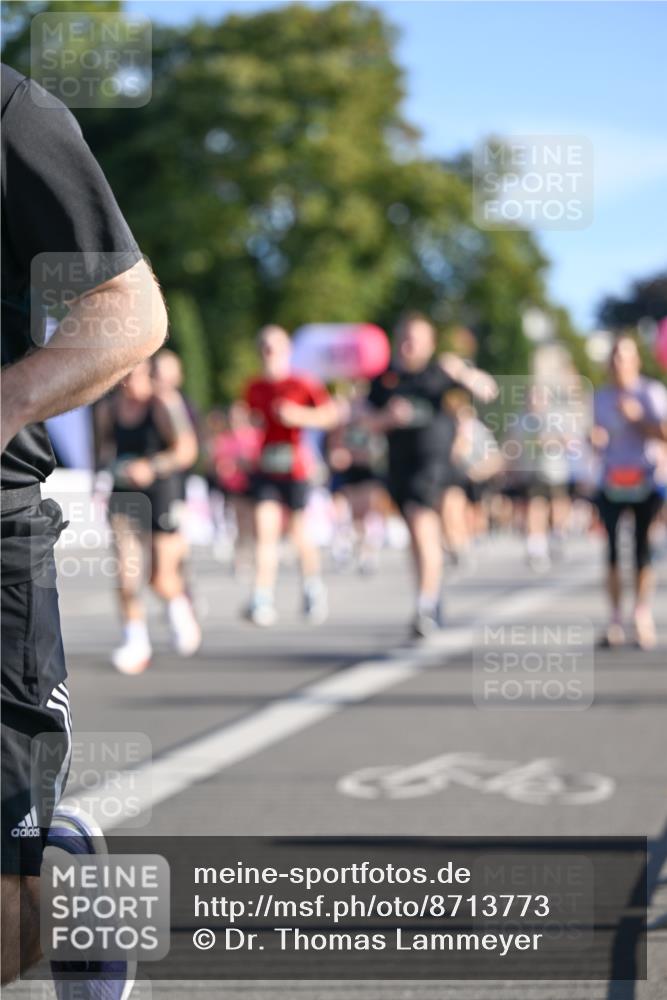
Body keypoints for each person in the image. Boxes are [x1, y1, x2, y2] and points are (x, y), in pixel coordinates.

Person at [1, 63, 167, 994]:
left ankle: (58, 896)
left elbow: (130, 311)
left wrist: (9, 398)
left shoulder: (13, 114)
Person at [364, 312, 498, 637]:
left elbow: (488, 391)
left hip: (437, 466)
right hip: (400, 468)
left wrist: (463, 370)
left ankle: (426, 605)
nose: (410, 345)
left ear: (430, 343)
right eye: (406, 338)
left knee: (425, 528)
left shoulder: (439, 372)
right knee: (417, 538)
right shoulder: (384, 380)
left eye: (418, 339)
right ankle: (431, 596)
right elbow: (364, 422)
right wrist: (387, 418)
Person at [95, 359, 201, 673]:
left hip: (161, 494)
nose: (128, 382)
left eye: (134, 374)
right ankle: (135, 640)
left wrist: (151, 467)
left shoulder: (163, 404)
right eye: (121, 375)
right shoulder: (108, 409)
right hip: (124, 494)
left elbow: (187, 450)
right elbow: (102, 450)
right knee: (126, 574)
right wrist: (107, 472)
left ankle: (179, 603)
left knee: (160, 578)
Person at [243, 325, 340, 626]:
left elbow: (331, 416)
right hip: (267, 468)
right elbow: (250, 423)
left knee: (299, 533)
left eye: (275, 348)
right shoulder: (254, 387)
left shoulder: (303, 383)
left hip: (296, 468)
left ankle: (312, 587)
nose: (269, 354)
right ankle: (262, 597)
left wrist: (299, 416)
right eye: (265, 348)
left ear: (287, 351)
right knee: (265, 530)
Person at [591, 335, 667, 649]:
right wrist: (592, 439)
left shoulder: (650, 392)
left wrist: (639, 417)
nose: (619, 363)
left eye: (625, 357)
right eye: (614, 357)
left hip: (644, 478)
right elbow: (595, 435)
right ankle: (614, 619)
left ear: (636, 360)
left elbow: (664, 433)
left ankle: (641, 615)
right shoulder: (600, 398)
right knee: (610, 550)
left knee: (640, 550)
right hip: (611, 479)